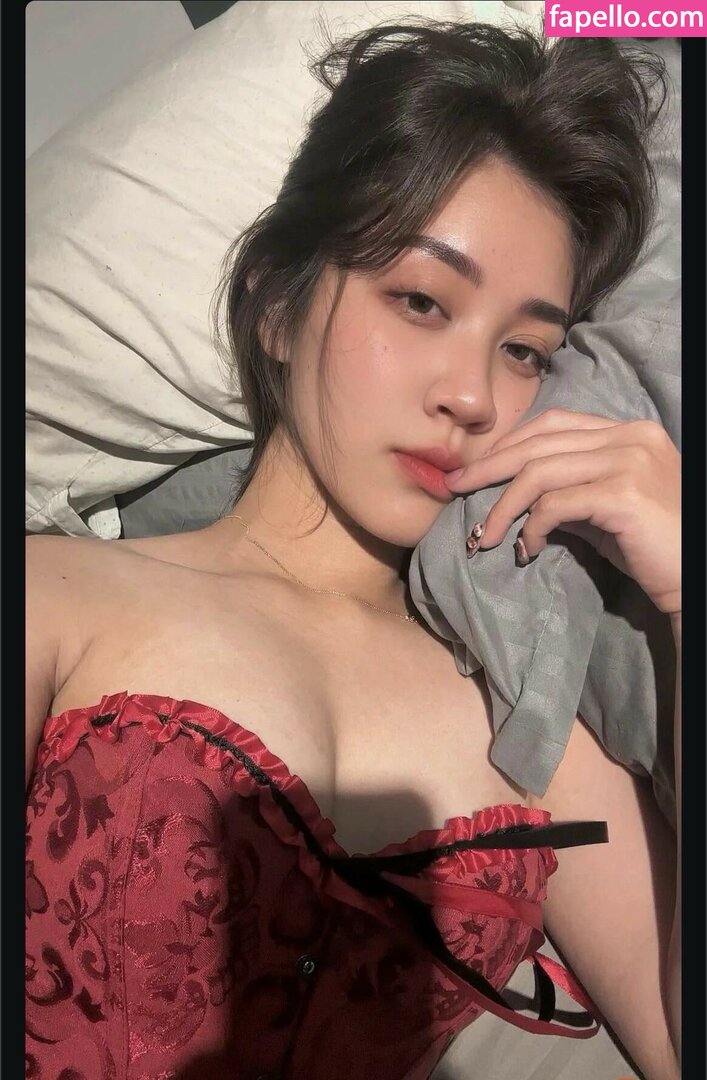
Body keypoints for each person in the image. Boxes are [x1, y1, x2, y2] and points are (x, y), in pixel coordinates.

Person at [25, 20, 680, 1080]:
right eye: (420, 300)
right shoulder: (51, 597)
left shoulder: (530, 719)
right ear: (277, 304)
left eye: (524, 351)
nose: (471, 396)